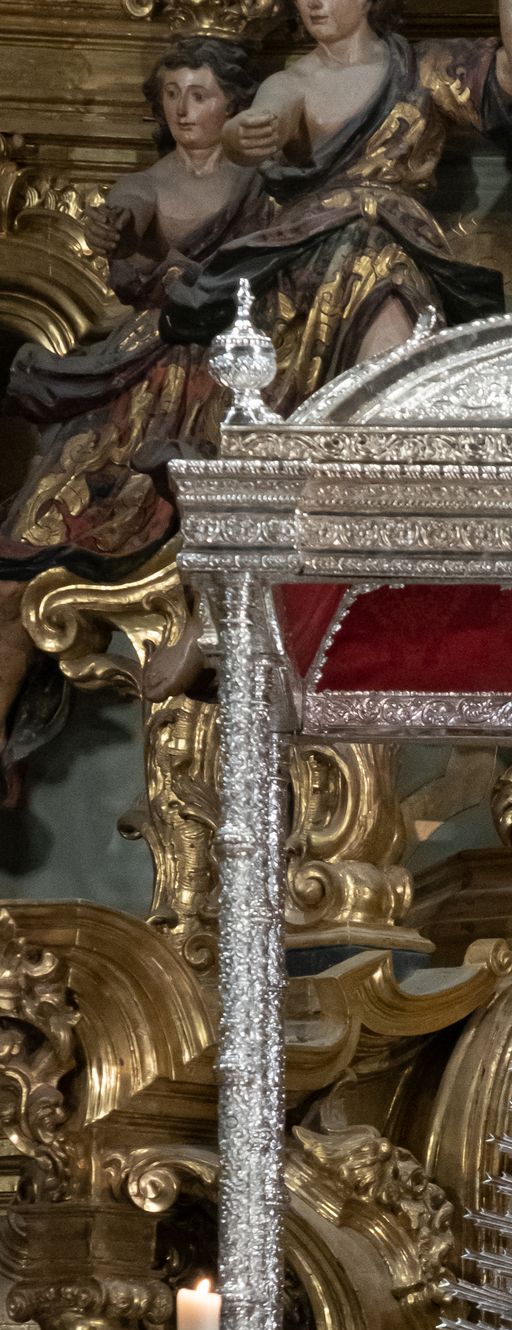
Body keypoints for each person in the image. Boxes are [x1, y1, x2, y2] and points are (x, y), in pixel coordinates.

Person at [0, 38, 265, 794]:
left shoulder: (263, 187)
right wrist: (115, 227)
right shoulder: (146, 183)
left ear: (233, 104)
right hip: (139, 375)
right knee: (24, 544)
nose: (184, 109)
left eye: (200, 93)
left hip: (229, 370)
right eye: (172, 94)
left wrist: (197, 281)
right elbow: (131, 208)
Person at [160, 0, 512, 401]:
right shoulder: (291, 82)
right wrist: (240, 135)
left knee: (379, 256)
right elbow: (267, 120)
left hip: (400, 242)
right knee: (371, 254)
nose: (313, 4)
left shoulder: (421, 68)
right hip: (312, 251)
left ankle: (384, 413)